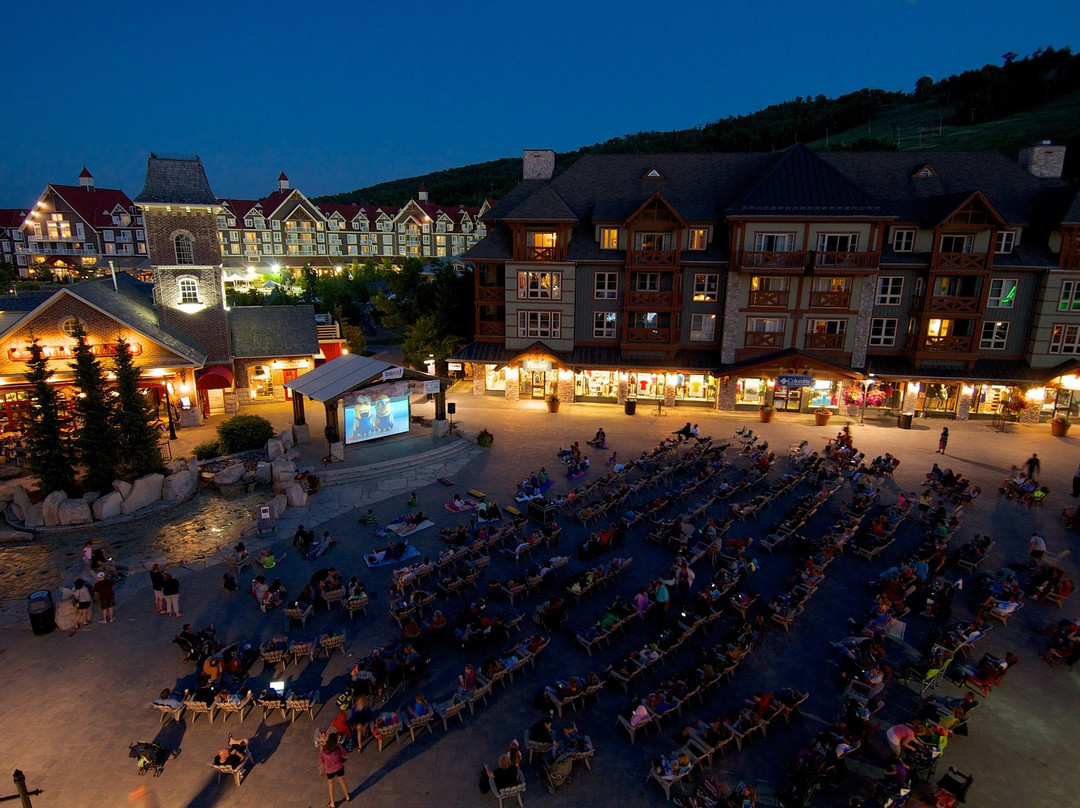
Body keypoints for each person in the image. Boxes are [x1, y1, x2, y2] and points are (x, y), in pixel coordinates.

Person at [318, 732, 349, 807]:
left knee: (331, 786)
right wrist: (341, 760)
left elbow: (321, 762)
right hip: (339, 767)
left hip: (330, 770)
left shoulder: (324, 751)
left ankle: (332, 803)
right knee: (342, 781)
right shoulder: (338, 747)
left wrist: (321, 771)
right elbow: (345, 756)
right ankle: (347, 796)